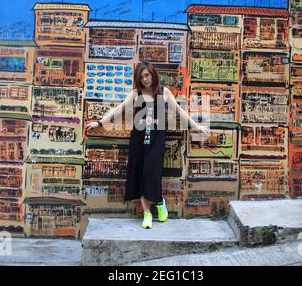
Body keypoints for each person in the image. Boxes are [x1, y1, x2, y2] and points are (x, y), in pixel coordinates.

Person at [86, 62, 211, 229]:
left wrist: (196, 126)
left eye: (147, 75)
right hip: (138, 138)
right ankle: (147, 214)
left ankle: (159, 201)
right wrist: (100, 123)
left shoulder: (164, 92)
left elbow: (179, 112)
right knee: (140, 173)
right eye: (141, 77)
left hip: (156, 138)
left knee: (151, 172)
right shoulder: (135, 94)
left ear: (153, 74)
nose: (145, 79)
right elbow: (119, 109)